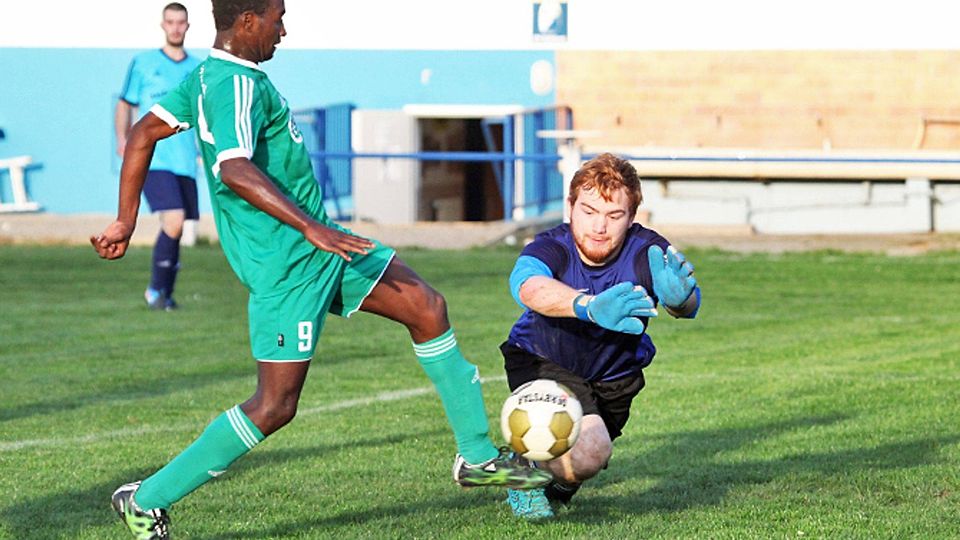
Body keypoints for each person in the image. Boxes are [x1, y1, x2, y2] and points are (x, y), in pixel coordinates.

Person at [92, 1, 550, 537]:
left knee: (427, 307)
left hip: (326, 251)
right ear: (247, 22)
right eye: (277, 17)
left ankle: (476, 458)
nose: (283, 29)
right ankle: (145, 500)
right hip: (287, 267)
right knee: (275, 405)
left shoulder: (206, 77)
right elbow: (233, 167)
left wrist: (126, 220)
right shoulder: (232, 83)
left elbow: (143, 133)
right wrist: (309, 226)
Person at [499, 153, 701, 519]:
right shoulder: (553, 245)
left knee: (585, 460)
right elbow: (527, 286)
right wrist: (587, 306)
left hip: (615, 374)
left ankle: (545, 482)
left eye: (614, 215)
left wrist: (681, 299)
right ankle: (523, 474)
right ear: (571, 207)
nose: (599, 227)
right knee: (592, 447)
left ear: (632, 217)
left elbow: (684, 302)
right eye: (589, 211)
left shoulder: (646, 250)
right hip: (543, 357)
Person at [115, 2, 202, 311]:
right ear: (163, 25)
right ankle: (154, 291)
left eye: (181, 22)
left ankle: (165, 294)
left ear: (188, 26)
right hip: (153, 158)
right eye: (170, 22)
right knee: (175, 220)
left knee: (177, 227)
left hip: (185, 162)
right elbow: (125, 102)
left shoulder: (198, 68)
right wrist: (123, 139)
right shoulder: (143, 63)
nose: (176, 27)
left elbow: (204, 114)